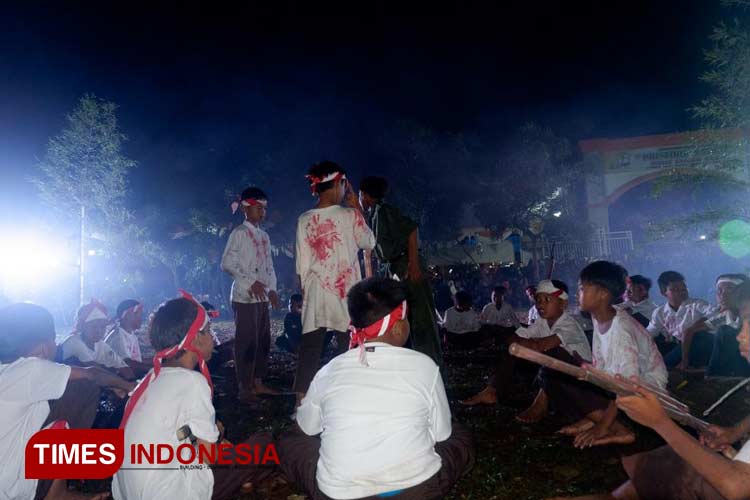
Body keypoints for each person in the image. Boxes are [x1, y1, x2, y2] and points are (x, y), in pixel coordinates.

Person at [548, 280, 750, 500]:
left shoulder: (623, 324)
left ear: (603, 294)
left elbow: (736, 486)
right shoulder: (608, 320)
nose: (740, 334)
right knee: (680, 459)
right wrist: (735, 432)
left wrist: (660, 423)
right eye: (743, 323)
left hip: (738, 482)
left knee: (690, 464)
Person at [278, 278, 474, 500]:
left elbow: (308, 426)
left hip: (339, 494)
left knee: (291, 439)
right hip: (416, 491)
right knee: (458, 435)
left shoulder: (328, 371)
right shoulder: (425, 366)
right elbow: (442, 434)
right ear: (399, 327)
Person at [112, 293, 276, 500]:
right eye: (209, 330)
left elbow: (176, 433)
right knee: (263, 444)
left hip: (129, 493)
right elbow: (208, 457)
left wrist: (199, 438)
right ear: (195, 338)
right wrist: (218, 437)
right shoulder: (192, 382)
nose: (212, 336)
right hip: (169, 493)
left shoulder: (150, 380)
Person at [0, 302, 134, 500]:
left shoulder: (8, 372)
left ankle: (58, 489)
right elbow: (92, 375)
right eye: (54, 339)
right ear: (44, 346)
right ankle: (55, 493)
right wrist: (131, 387)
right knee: (82, 389)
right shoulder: (28, 369)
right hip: (12, 490)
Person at [554, 261, 667, 448]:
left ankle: (612, 427)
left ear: (603, 294)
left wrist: (602, 427)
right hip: (618, 381)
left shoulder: (621, 329)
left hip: (646, 386)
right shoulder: (599, 315)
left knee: (570, 376)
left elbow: (627, 385)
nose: (577, 293)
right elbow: (603, 364)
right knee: (559, 367)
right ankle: (596, 418)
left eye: (582, 288)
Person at [294, 161, 376, 405]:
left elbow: (302, 266)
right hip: (346, 292)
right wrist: (357, 209)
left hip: (317, 291)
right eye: (344, 185)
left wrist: (306, 294)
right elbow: (369, 242)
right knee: (347, 344)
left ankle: (301, 403)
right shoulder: (350, 215)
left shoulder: (304, 219)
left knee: (310, 348)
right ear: (338, 185)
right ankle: (348, 398)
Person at [461, 280, 591, 414]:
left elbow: (540, 345)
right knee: (513, 350)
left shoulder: (569, 325)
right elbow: (514, 337)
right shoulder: (542, 321)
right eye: (538, 300)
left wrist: (530, 343)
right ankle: (491, 391)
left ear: (563, 303)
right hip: (556, 375)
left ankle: (541, 403)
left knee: (553, 351)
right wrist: (523, 342)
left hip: (580, 380)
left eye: (547, 299)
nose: (540, 304)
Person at [358, 176, 443, 366]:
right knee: (405, 319)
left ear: (364, 195)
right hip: (396, 269)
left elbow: (411, 230)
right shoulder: (376, 213)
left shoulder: (385, 211)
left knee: (421, 321)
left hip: (406, 268)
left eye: (359, 195)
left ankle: (430, 366)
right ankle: (416, 363)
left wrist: (413, 264)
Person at [220, 186, 280, 401]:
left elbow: (269, 265)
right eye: (258, 208)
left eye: (264, 208)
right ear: (246, 208)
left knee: (263, 340)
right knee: (246, 341)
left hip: (262, 297)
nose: (262, 212)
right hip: (244, 297)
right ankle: (244, 387)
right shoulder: (239, 233)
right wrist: (248, 282)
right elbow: (227, 263)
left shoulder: (264, 235)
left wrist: (272, 289)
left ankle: (258, 382)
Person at [679, 273, 748, 372]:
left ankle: (713, 374)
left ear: (742, 293)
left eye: (729, 289)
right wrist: (684, 359)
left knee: (724, 332)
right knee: (701, 336)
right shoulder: (724, 317)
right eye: (719, 291)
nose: (723, 295)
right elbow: (689, 331)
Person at [647, 270, 713, 366]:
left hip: (700, 346)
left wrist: (698, 326)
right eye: (676, 289)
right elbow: (648, 333)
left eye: (684, 288)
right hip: (679, 348)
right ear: (663, 292)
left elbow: (716, 314)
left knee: (699, 336)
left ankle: (664, 367)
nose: (682, 291)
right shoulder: (660, 313)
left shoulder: (698, 304)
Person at [59, 299, 135, 380]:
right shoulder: (74, 342)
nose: (98, 331)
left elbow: (122, 366)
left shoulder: (101, 345)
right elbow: (96, 372)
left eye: (102, 327)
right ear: (83, 327)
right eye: (93, 326)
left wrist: (132, 380)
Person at [105, 299, 151, 376]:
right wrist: (151, 368)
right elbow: (127, 363)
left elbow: (137, 361)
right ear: (126, 316)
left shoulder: (132, 335)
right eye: (138, 314)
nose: (141, 318)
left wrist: (159, 360)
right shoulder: (118, 336)